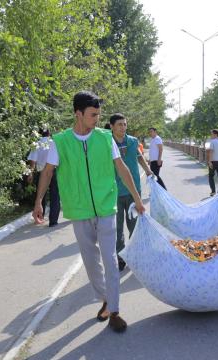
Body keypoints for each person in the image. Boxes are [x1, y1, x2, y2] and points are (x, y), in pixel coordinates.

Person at [33, 91, 145, 333]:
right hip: (79, 211)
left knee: (111, 259)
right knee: (91, 262)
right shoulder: (60, 142)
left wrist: (138, 199)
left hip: (106, 207)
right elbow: (48, 172)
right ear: (78, 114)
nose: (97, 119)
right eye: (93, 115)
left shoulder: (105, 138)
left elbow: (123, 169)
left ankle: (114, 310)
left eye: (98, 114)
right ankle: (105, 298)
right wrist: (39, 201)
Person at [109, 113, 153, 271]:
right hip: (114, 192)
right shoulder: (107, 142)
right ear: (112, 126)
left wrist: (148, 171)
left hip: (133, 190)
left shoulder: (133, 141)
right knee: (117, 227)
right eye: (119, 124)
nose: (123, 127)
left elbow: (140, 157)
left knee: (134, 225)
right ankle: (120, 257)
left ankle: (134, 254)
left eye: (124, 124)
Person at [27, 128, 60, 227]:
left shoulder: (36, 144)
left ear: (40, 134)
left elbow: (33, 160)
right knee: (55, 196)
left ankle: (40, 217)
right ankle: (53, 221)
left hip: (41, 171)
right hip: (54, 169)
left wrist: (30, 173)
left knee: (41, 195)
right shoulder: (53, 142)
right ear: (49, 134)